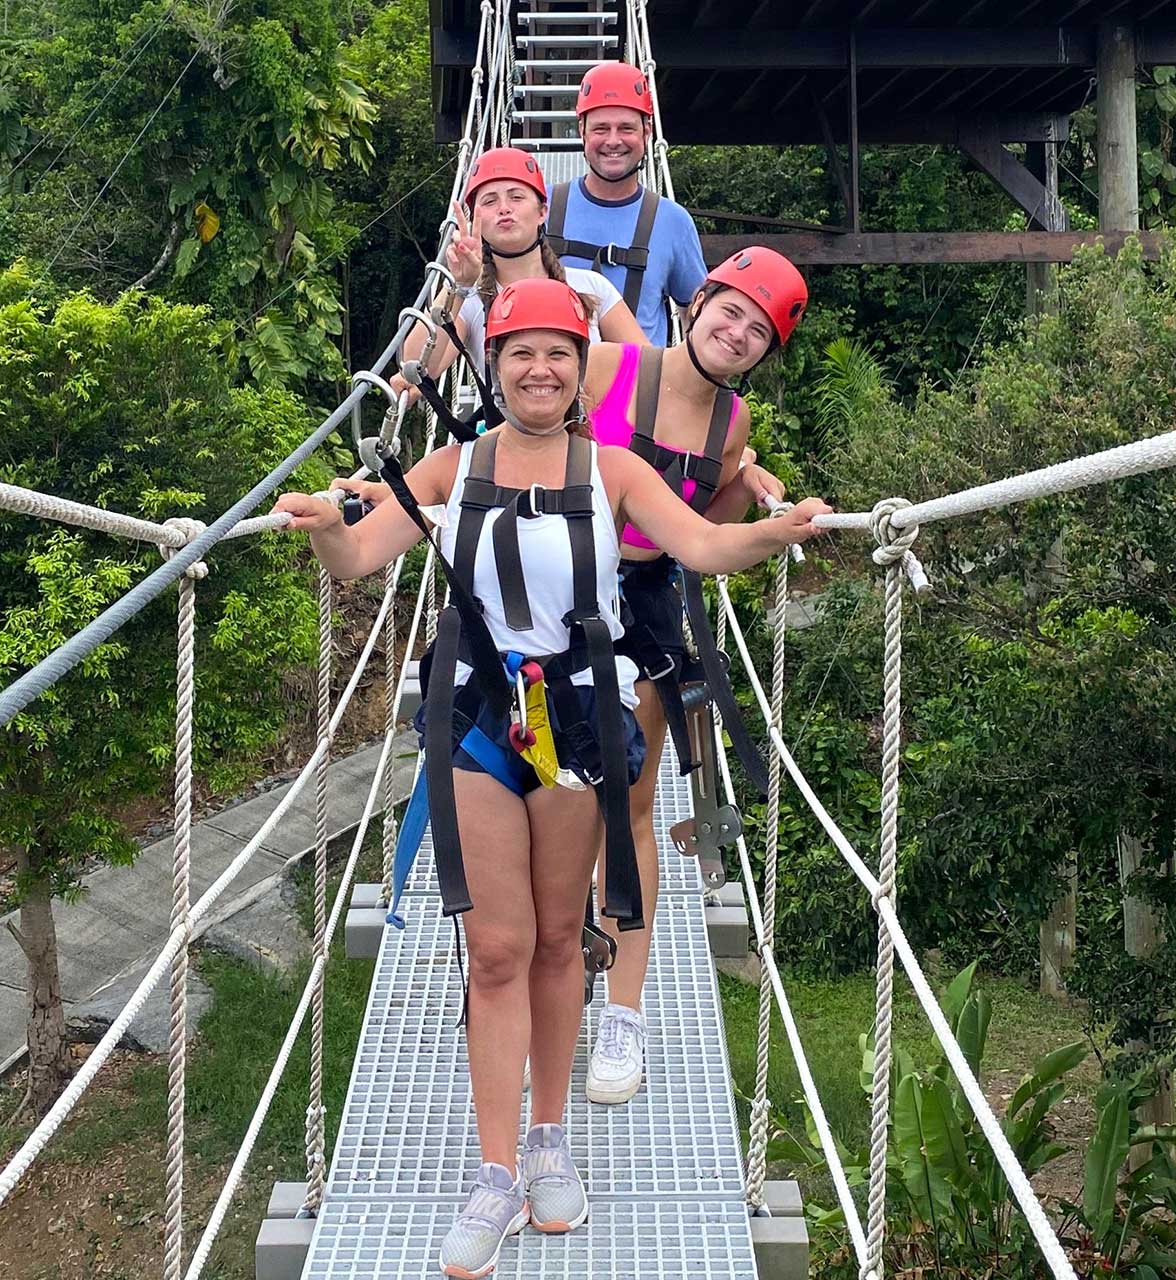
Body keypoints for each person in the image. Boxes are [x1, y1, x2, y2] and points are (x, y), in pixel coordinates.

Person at [275, 277, 828, 1278]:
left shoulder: (613, 470)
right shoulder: (453, 467)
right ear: (495, 366)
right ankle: (495, 1175)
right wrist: (321, 519)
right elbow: (355, 556)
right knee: (497, 948)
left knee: (557, 942)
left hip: (577, 719)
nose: (539, 368)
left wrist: (775, 533)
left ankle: (547, 1138)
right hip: (481, 719)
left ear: (581, 371)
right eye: (520, 352)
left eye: (558, 353)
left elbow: (703, 543)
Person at [579, 246, 810, 1106]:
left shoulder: (731, 425)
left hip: (642, 605)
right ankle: (550, 969)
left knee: (629, 806)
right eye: (731, 311)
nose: (737, 333)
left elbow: (696, 532)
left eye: (758, 331)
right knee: (551, 799)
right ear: (696, 302)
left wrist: (746, 491)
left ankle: (623, 1012)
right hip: (558, 589)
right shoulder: (607, 368)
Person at [391, 145, 647, 435]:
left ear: (542, 212)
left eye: (516, 197)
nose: (504, 208)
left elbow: (650, 370)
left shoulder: (591, 286)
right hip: (511, 448)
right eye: (490, 201)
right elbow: (416, 366)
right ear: (475, 221)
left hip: (593, 444)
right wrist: (459, 285)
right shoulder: (470, 299)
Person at [545, 61, 708, 346]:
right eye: (601, 128)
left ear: (647, 131)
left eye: (626, 128)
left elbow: (695, 316)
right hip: (554, 371)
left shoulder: (673, 222)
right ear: (582, 130)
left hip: (639, 374)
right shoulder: (542, 209)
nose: (613, 141)